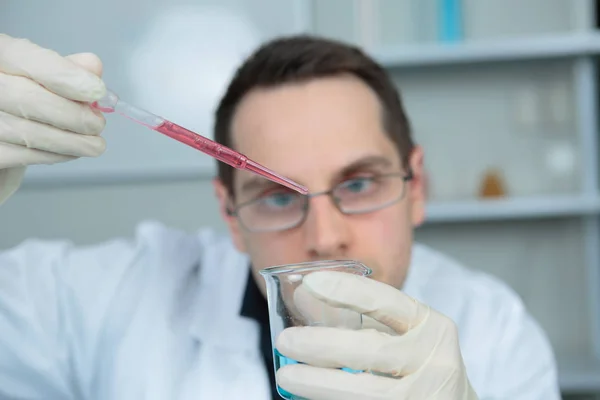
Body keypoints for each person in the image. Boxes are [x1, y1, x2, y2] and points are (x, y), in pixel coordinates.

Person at [0, 32, 560, 400]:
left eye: (359, 184)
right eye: (278, 196)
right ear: (230, 216)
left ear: (418, 190)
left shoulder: (494, 331)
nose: (326, 238)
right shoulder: (112, 298)